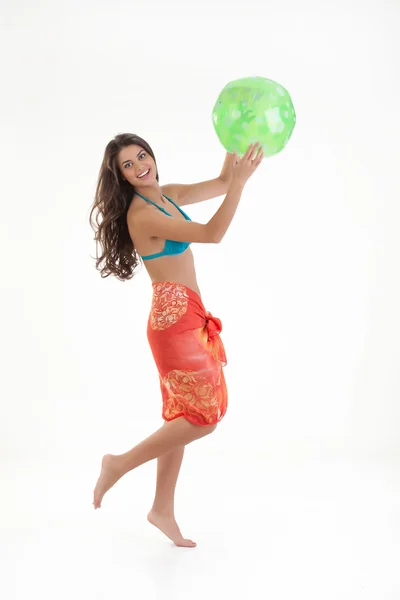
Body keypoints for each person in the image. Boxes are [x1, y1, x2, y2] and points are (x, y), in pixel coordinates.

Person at [89, 133, 263, 547]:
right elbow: (212, 232)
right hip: (172, 322)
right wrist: (240, 185)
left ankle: (161, 509)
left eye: (141, 156)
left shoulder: (165, 195)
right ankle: (118, 464)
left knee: (183, 415)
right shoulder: (141, 215)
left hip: (188, 315)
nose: (139, 166)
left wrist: (236, 139)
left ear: (151, 156)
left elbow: (221, 181)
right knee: (204, 418)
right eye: (128, 165)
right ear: (121, 177)